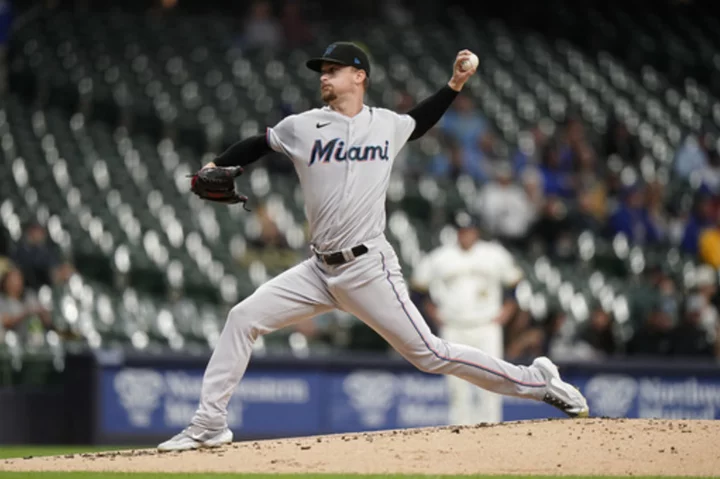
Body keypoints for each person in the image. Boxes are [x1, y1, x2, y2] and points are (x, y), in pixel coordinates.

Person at [157, 41, 588, 452]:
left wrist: (454, 85)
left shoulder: (386, 124)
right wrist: (217, 165)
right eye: (322, 71)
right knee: (243, 317)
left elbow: (420, 120)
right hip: (318, 270)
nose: (323, 77)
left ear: (358, 76)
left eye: (332, 70)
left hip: (368, 268)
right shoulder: (301, 126)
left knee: (431, 355)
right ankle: (209, 424)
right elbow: (257, 144)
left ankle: (537, 380)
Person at [411, 213, 523, 425]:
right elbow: (418, 289)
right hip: (453, 326)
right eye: (462, 231)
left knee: (492, 379)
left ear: (476, 231)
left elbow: (513, 285)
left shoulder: (494, 254)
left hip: (487, 325)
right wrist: (433, 313)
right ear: (457, 232)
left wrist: (507, 311)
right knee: (456, 386)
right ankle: (459, 430)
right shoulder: (440, 257)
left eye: (469, 230)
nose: (466, 235)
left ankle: (492, 428)